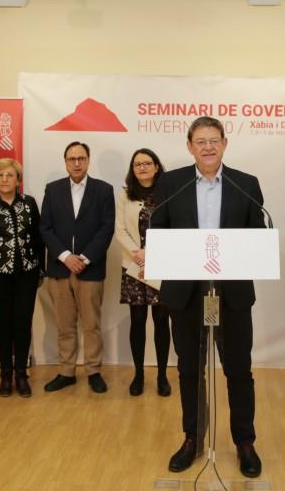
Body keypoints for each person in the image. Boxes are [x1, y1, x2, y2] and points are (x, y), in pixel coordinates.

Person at [151, 116, 265, 479]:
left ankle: (244, 442)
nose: (208, 147)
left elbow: (256, 234)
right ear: (189, 147)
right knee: (189, 369)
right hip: (187, 292)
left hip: (232, 293)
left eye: (214, 140)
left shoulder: (246, 184)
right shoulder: (171, 183)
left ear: (225, 143)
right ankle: (192, 439)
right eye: (200, 141)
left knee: (239, 370)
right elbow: (158, 230)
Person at [39, 142, 115, 394]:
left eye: (81, 158)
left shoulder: (104, 190)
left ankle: (93, 371)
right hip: (60, 270)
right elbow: (45, 228)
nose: (77, 163)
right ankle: (66, 372)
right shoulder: (53, 189)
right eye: (71, 159)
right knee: (65, 325)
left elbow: (106, 228)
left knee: (91, 325)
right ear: (65, 162)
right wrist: (65, 257)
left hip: (89, 270)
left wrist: (83, 258)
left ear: (88, 160)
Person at [0, 158, 45, 398]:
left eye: (9, 175)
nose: (4, 179)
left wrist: (40, 270)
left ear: (18, 179)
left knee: (23, 324)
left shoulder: (29, 204)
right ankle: (5, 374)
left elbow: (38, 239)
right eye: (0, 175)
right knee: (3, 325)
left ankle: (21, 374)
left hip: (27, 276)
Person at [115, 148, 171, 397]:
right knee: (137, 321)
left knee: (161, 320)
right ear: (132, 169)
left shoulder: (168, 192)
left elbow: (172, 226)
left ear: (156, 167)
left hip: (161, 263)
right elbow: (119, 229)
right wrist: (138, 254)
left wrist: (150, 252)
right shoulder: (125, 194)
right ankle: (138, 374)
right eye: (137, 164)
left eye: (147, 163)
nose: (142, 167)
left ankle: (162, 376)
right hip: (133, 265)